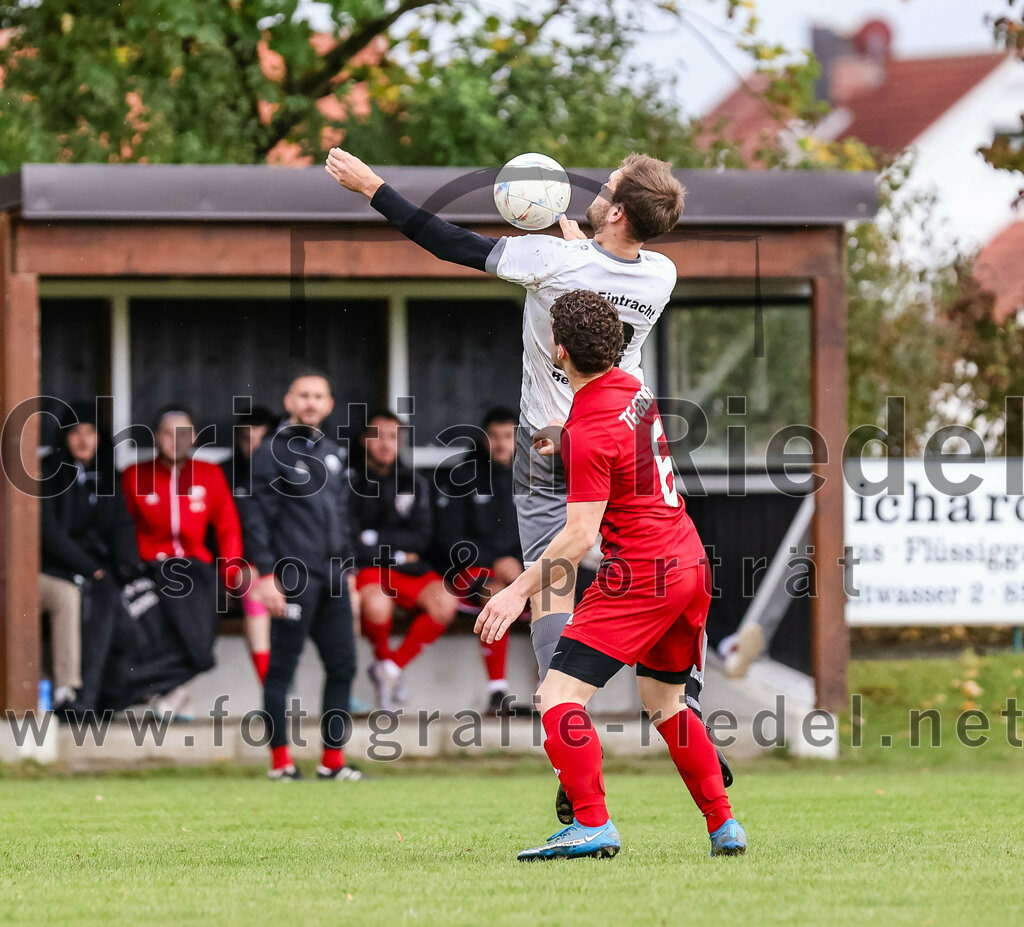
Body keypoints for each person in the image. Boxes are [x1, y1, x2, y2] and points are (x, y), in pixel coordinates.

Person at [325, 145, 731, 801]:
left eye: (610, 186)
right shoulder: (660, 274)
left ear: (619, 210)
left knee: (552, 596)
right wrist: (580, 239)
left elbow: (448, 241)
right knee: (665, 561)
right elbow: (598, 270)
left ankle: (564, 734)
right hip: (624, 441)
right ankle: (684, 698)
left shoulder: (551, 261)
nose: (595, 187)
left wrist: (372, 186)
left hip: (551, 451)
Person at [475, 291, 747, 860]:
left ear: (559, 351)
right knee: (667, 702)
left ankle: (593, 824)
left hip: (643, 575)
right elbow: (616, 441)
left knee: (557, 696)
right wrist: (565, 438)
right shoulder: (633, 388)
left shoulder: (592, 426)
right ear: (617, 346)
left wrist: (514, 594)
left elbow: (577, 538)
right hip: (689, 563)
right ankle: (724, 825)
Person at [242, 372, 363, 781]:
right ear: (289, 400)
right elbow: (256, 518)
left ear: (329, 404)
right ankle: (281, 763)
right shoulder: (269, 451)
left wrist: (349, 574)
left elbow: (342, 520)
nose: (311, 403)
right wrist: (266, 574)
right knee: (282, 669)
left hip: (333, 577)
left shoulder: (333, 451)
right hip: (292, 577)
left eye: (319, 396)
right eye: (303, 395)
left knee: (343, 665)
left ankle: (333, 762)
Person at [121, 405, 244, 718]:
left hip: (196, 566)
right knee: (158, 615)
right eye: (167, 433)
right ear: (156, 437)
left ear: (194, 437)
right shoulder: (135, 475)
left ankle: (173, 688)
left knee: (198, 626)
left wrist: (230, 571)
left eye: (183, 433)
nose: (175, 440)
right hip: (150, 566)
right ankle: (174, 689)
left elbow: (228, 526)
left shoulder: (209, 474)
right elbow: (121, 529)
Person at [349, 411, 457, 711]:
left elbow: (421, 539)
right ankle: (383, 658)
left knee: (445, 602)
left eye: (393, 437)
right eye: (378, 436)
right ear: (364, 439)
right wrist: (395, 549)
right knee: (376, 605)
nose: (386, 444)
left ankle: (390, 668)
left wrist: (375, 539)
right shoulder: (349, 480)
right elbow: (352, 542)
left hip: (408, 569)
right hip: (369, 570)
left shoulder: (414, 482)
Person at [39, 402, 139, 713]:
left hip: (100, 571)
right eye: (75, 433)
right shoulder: (48, 472)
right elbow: (49, 532)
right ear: (64, 437)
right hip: (56, 569)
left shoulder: (108, 476)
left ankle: (99, 698)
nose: (83, 440)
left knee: (117, 618)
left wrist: (125, 568)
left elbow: (121, 526)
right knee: (85, 603)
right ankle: (80, 697)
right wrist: (89, 567)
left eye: (90, 432)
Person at [435, 406, 527, 715]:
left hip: (522, 568)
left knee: (553, 596)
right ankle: (497, 693)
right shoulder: (463, 475)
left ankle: (550, 693)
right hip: (472, 570)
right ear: (484, 438)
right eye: (495, 436)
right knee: (496, 594)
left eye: (508, 436)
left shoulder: (534, 475)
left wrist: (519, 563)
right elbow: (449, 537)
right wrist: (496, 560)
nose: (501, 443)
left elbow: (551, 530)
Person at [222, 405, 279, 684]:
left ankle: (340, 689)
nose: (253, 446)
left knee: (335, 590)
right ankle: (267, 685)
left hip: (286, 563)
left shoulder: (291, 472)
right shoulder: (225, 474)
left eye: (260, 438)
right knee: (254, 586)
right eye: (246, 438)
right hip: (242, 563)